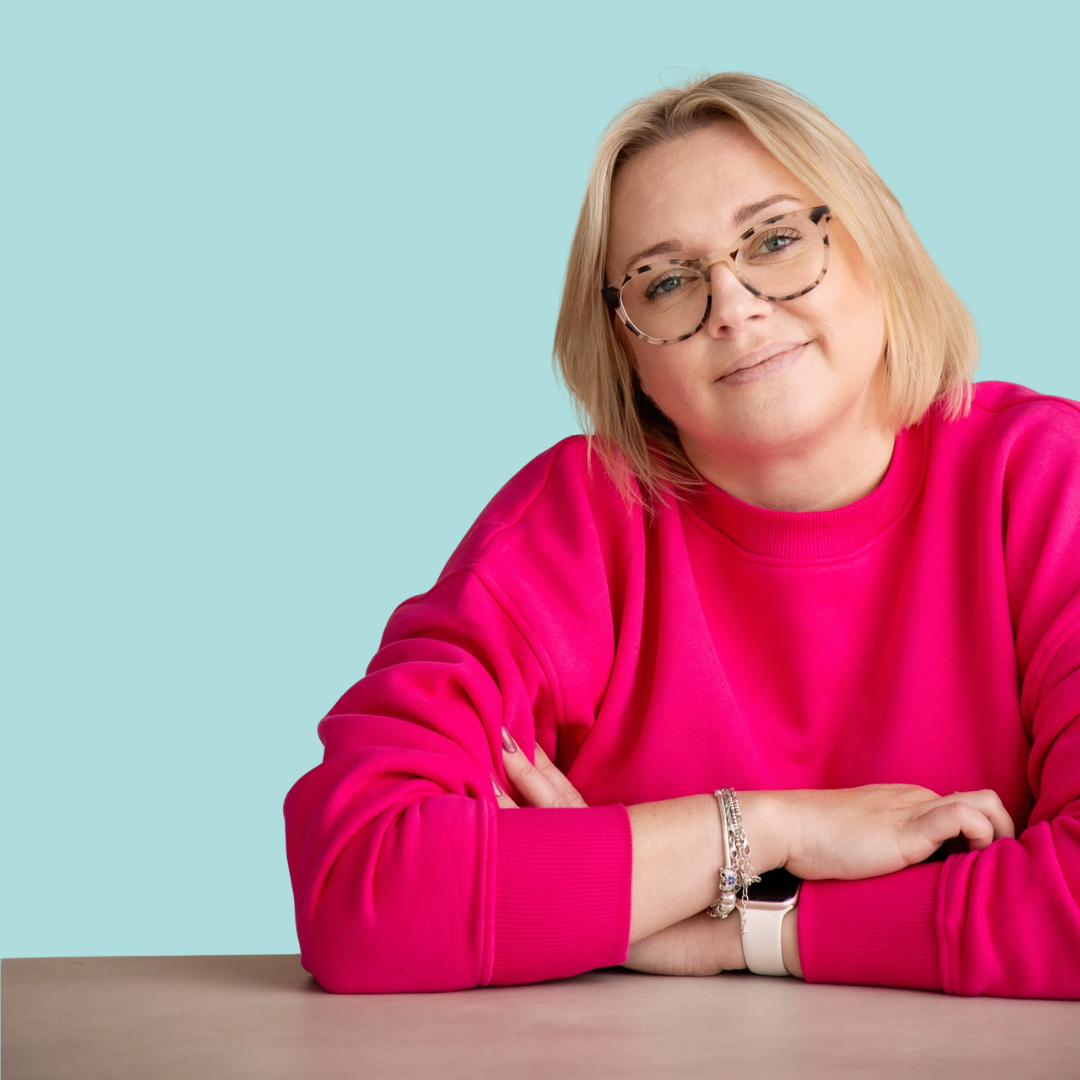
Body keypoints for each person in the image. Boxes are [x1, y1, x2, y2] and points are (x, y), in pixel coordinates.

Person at [284, 72, 1080, 998]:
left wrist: (739, 930)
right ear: (626, 351)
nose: (735, 306)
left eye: (776, 240)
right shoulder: (573, 524)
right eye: (666, 282)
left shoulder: (1048, 484)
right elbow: (363, 887)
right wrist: (768, 832)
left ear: (878, 240)